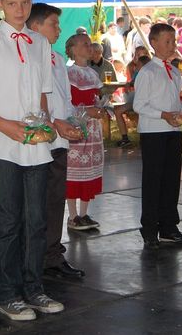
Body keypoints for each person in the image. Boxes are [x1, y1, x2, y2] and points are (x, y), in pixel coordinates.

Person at [0, 0, 64, 321]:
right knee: (7, 222)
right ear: (0, 4)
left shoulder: (40, 43)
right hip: (1, 145)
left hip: (34, 146)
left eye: (25, 3)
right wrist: (5, 126)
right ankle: (9, 294)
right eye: (12, 3)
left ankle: (34, 287)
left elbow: (41, 94)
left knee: (37, 220)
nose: (19, 9)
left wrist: (47, 126)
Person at [26, 3, 86, 280]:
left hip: (59, 141)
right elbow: (31, 102)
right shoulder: (27, 57)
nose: (59, 29)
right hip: (38, 141)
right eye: (54, 23)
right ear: (35, 27)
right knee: (34, 204)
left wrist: (73, 123)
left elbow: (64, 100)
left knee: (54, 201)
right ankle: (33, 257)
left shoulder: (57, 59)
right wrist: (53, 123)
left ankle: (52, 254)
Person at [134, 23, 182, 249]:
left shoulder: (175, 71)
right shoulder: (147, 71)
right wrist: (164, 114)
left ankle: (169, 226)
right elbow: (139, 105)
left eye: (174, 41)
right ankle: (149, 228)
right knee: (153, 181)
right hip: (153, 132)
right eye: (167, 41)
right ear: (154, 43)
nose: (172, 45)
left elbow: (173, 100)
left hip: (172, 131)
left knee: (171, 181)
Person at [65, 33, 106, 231]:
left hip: (92, 128)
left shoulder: (92, 73)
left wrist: (100, 108)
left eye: (90, 44)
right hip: (77, 126)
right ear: (73, 49)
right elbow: (67, 103)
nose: (89, 47)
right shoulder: (68, 73)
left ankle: (84, 213)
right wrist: (86, 111)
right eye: (84, 44)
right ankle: (72, 216)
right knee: (74, 171)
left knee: (90, 168)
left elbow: (96, 97)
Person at [115, 46, 150, 148]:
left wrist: (131, 83)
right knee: (117, 110)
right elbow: (132, 82)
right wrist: (129, 83)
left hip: (144, 101)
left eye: (140, 55)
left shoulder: (149, 69)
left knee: (140, 112)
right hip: (135, 100)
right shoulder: (134, 67)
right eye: (136, 54)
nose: (137, 57)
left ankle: (143, 139)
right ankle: (125, 138)